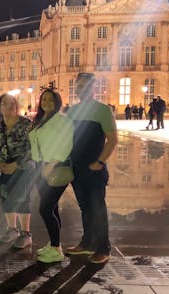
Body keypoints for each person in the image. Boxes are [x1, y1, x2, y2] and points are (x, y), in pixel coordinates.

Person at [65, 72, 118, 264]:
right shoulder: (72, 111)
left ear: (94, 88)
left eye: (86, 86)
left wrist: (100, 162)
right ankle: (87, 243)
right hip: (77, 168)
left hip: (95, 169)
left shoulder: (103, 110)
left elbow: (113, 139)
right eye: (79, 86)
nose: (82, 90)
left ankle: (103, 247)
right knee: (85, 208)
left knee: (97, 209)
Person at [0, 94, 34, 249]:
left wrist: (15, 165)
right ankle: (12, 229)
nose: (8, 107)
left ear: (17, 106)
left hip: (23, 168)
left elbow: (32, 148)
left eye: (12, 104)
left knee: (22, 198)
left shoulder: (26, 124)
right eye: (4, 104)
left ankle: (26, 234)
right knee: (5, 195)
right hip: (3, 169)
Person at [28, 89, 73, 263]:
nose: (46, 102)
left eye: (50, 99)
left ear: (57, 102)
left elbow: (66, 145)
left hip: (55, 167)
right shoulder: (40, 120)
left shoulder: (62, 120)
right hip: (39, 167)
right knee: (52, 209)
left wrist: (50, 165)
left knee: (45, 209)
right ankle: (55, 244)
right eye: (44, 99)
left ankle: (56, 250)